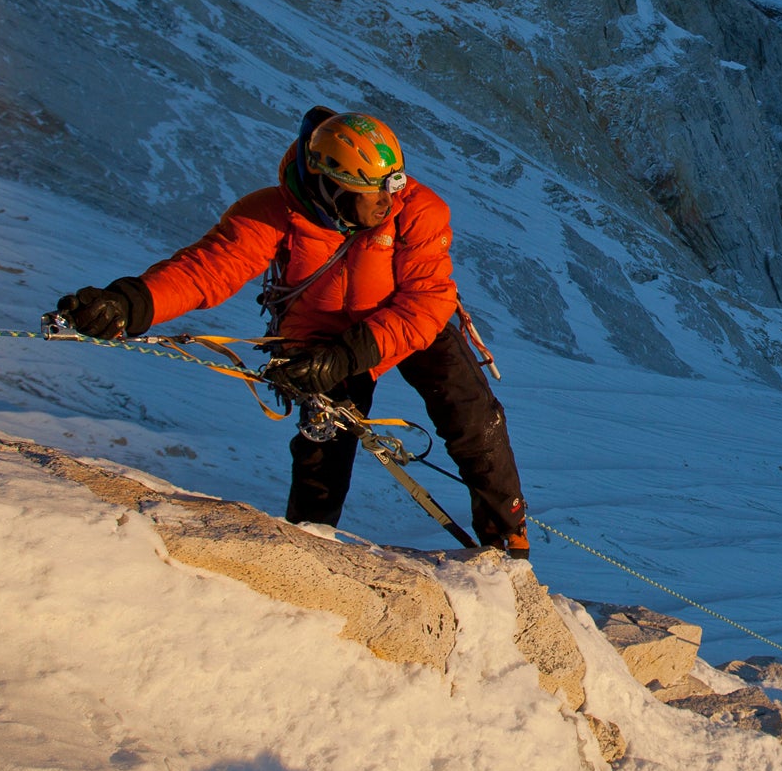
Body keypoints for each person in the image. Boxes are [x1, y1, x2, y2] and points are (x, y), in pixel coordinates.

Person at [55, 107, 527, 555]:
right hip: (319, 340)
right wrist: (129, 304)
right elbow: (206, 271)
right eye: (373, 192)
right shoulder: (275, 213)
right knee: (321, 457)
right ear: (331, 186)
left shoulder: (417, 210)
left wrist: (350, 352)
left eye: (393, 184)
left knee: (473, 418)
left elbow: (427, 301)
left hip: (405, 324)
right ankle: (309, 548)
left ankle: (507, 543)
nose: (388, 201)